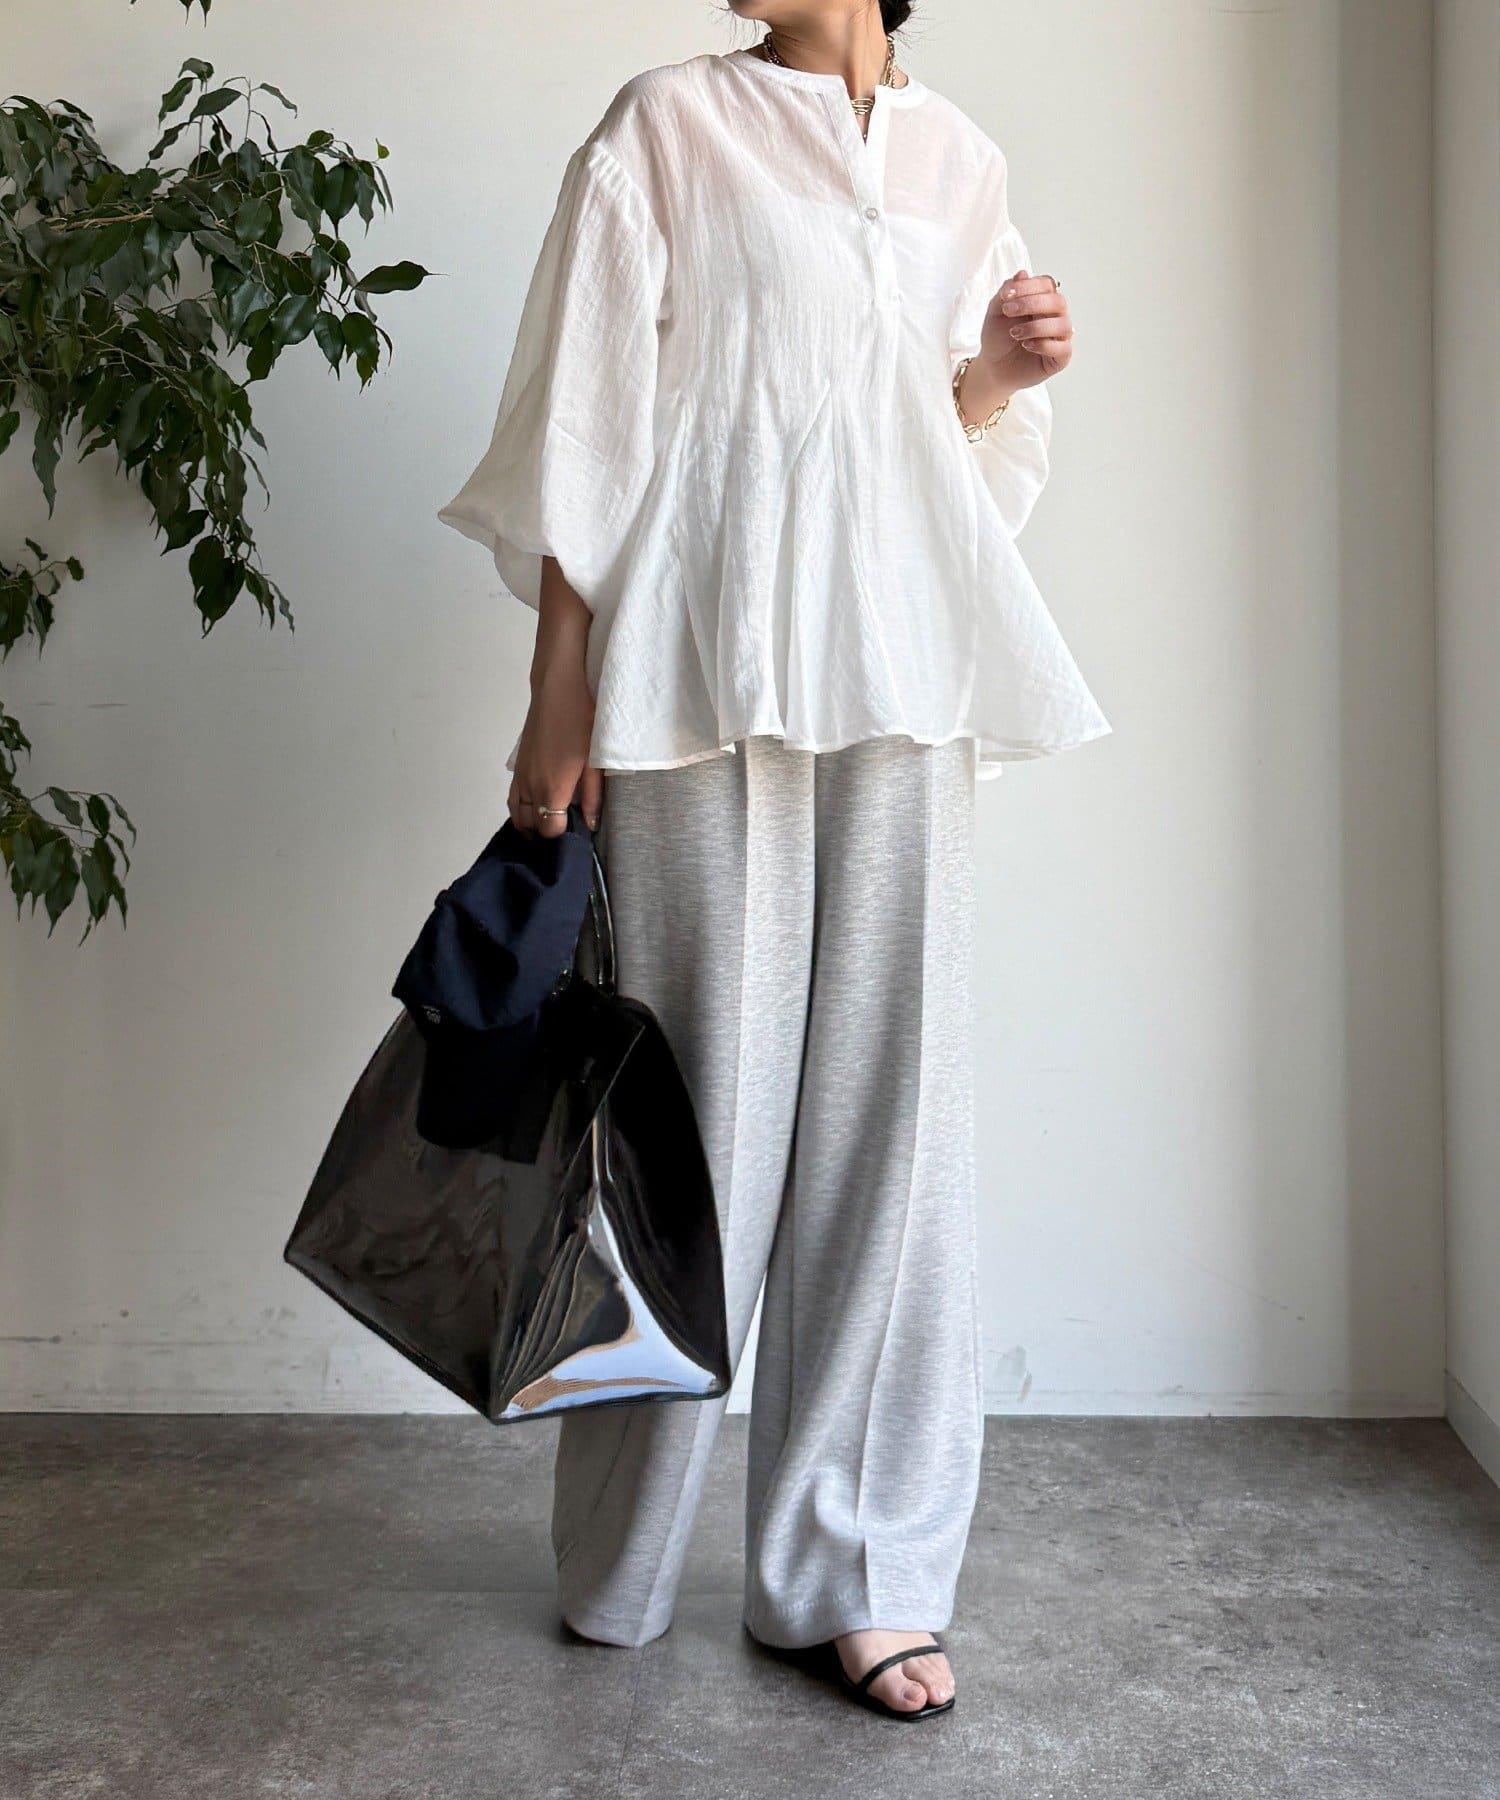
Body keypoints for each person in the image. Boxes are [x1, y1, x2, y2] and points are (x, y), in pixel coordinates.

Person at [438, 0, 1108, 1721]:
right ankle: (628, 1558)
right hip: (695, 674)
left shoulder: (959, 161)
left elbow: (939, 446)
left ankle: (859, 1572)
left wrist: (997, 377)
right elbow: (590, 415)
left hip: (904, 675)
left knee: (893, 1130)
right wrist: (557, 695)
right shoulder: (666, 124)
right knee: (688, 1133)